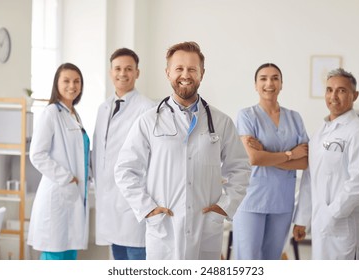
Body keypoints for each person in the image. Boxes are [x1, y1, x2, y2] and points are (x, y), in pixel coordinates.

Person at [114, 41, 250, 260]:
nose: (185, 75)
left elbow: (241, 168)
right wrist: (147, 208)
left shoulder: (221, 122)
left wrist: (225, 207)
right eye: (179, 68)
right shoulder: (148, 121)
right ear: (168, 73)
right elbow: (125, 170)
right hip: (164, 230)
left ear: (202, 74)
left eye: (192, 69)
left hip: (206, 227)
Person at [293, 68, 359, 259]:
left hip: (345, 224)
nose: (334, 96)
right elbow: (310, 177)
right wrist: (302, 219)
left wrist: (331, 214)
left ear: (354, 95)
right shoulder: (320, 133)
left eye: (341, 90)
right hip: (321, 223)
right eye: (329, 90)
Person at [232, 63, 309, 260]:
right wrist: (291, 154)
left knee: (272, 260)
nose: (269, 83)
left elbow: (305, 162)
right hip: (251, 199)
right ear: (255, 85)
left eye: (275, 78)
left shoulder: (295, 118)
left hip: (282, 202)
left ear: (281, 84)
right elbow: (254, 158)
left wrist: (267, 155)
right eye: (263, 78)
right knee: (247, 261)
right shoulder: (246, 115)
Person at [92, 48, 155, 260]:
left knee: (137, 256)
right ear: (110, 72)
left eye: (129, 69)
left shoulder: (148, 108)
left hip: (134, 201)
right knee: (118, 261)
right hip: (109, 203)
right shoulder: (103, 108)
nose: (122, 73)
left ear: (137, 73)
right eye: (118, 68)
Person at [27, 63, 90, 260]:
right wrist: (67, 178)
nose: (72, 85)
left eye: (76, 81)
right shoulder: (51, 113)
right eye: (66, 81)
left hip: (73, 196)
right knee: (55, 256)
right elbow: (37, 154)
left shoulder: (73, 115)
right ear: (57, 84)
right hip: (58, 195)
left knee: (68, 254)